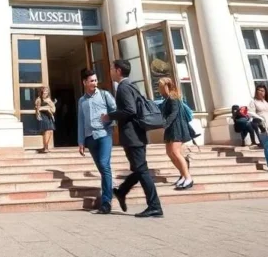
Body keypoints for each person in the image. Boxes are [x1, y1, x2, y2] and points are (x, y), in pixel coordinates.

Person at [106, 59, 162, 218]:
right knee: (139, 169)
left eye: (111, 68)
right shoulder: (132, 85)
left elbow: (130, 110)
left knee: (142, 170)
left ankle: (155, 206)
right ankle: (122, 191)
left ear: (118, 70)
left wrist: (109, 116)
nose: (110, 71)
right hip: (138, 134)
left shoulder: (123, 87)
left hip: (132, 135)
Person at [76, 69, 116, 214]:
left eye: (95, 80)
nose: (95, 83)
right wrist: (81, 142)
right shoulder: (82, 101)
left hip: (104, 135)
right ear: (84, 82)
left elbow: (116, 110)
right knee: (102, 168)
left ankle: (106, 202)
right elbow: (80, 121)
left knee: (105, 165)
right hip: (90, 138)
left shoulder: (105, 95)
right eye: (91, 81)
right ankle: (111, 186)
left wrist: (109, 118)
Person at [157, 78, 193, 190]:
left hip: (177, 128)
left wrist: (165, 124)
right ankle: (182, 175)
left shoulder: (173, 97)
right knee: (170, 153)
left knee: (176, 152)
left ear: (166, 86)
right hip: (170, 129)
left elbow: (174, 113)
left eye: (160, 86)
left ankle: (188, 178)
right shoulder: (166, 99)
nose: (159, 88)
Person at [34, 86, 56, 154]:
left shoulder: (49, 100)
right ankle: (45, 147)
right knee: (46, 131)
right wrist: (45, 108)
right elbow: (37, 109)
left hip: (49, 116)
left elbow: (53, 109)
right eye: (44, 91)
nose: (46, 92)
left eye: (47, 91)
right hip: (43, 116)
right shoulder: (39, 99)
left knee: (50, 131)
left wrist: (50, 105)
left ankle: (46, 147)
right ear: (41, 92)